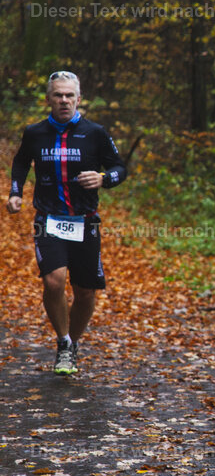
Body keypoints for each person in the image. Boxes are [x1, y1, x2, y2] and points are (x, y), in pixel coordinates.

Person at [7, 70, 127, 375]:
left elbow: (119, 168)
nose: (64, 100)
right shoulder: (35, 133)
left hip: (85, 221)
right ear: (48, 99)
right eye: (58, 95)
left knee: (86, 293)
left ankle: (72, 342)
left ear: (79, 99)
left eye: (69, 95)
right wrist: (16, 192)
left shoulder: (95, 133)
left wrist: (103, 178)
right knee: (53, 280)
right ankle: (63, 342)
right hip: (47, 219)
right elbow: (21, 161)